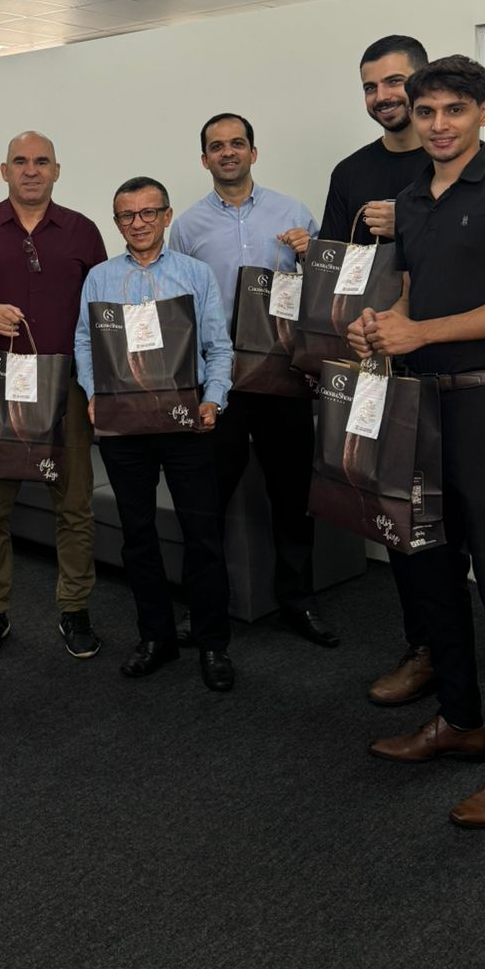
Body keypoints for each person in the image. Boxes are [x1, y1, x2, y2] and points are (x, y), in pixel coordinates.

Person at [351, 56, 485, 828]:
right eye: (427, 111)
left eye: (454, 110)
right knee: (431, 571)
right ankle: (461, 723)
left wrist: (423, 331)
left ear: (484, 113)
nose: (439, 124)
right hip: (419, 409)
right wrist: (379, 328)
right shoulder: (410, 200)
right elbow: (410, 300)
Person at [170, 114, 337, 647]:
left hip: (284, 375)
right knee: (207, 499)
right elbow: (181, 306)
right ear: (204, 160)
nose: (228, 152)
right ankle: (204, 607)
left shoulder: (294, 213)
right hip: (219, 381)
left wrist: (312, 256)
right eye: (217, 146)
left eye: (237, 143)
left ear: (253, 152)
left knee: (293, 494)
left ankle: (298, 600)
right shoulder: (187, 227)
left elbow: (327, 292)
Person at [75, 177, 234, 688]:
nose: (138, 223)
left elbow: (219, 345)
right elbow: (84, 342)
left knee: (202, 536)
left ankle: (212, 643)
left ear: (166, 216)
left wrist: (214, 397)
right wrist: (92, 392)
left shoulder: (195, 274)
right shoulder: (99, 278)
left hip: (187, 423)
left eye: (148, 212)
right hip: (123, 428)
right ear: (116, 222)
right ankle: (155, 637)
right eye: (127, 215)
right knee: (137, 537)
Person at [315, 36, 436, 707]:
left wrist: (410, 221)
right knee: (399, 514)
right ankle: (424, 648)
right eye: (371, 86)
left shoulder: (453, 160)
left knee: (469, 525)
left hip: (453, 367)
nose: (383, 96)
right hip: (380, 368)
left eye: (395, 81)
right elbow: (337, 267)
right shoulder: (352, 171)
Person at [0, 131, 108, 661]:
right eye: (20, 161)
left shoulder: (83, 231)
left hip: (66, 386)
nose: (30, 170)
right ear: (4, 171)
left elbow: (101, 310)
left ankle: (74, 609)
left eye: (41, 161)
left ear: (56, 170)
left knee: (74, 507)